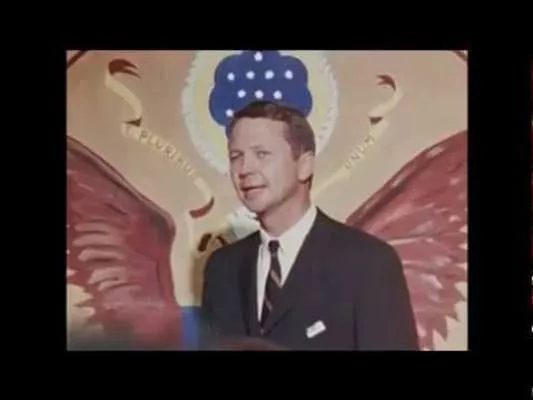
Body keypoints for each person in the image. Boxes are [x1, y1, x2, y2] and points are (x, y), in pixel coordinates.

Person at [200, 100, 419, 350]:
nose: (244, 168)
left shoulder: (368, 262)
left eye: (262, 154)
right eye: (235, 156)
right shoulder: (222, 269)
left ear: (304, 165)